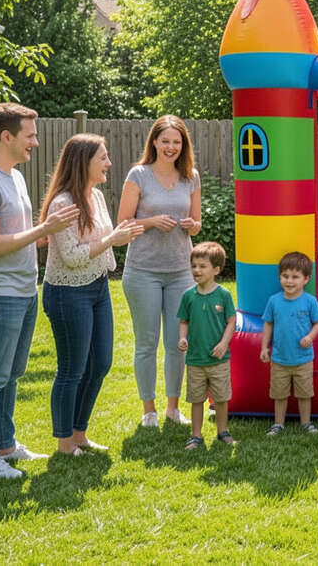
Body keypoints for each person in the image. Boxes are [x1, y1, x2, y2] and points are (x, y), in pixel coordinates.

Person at [0, 102, 79, 479]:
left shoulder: (15, 176)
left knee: (11, 373)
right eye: (30, 135)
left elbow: (19, 236)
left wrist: (46, 235)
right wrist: (44, 230)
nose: (36, 142)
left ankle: (5, 446)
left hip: (23, 290)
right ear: (6, 136)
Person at [40, 134, 143, 455]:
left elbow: (102, 243)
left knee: (100, 362)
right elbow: (71, 256)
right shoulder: (62, 204)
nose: (109, 163)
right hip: (67, 292)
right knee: (73, 368)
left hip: (96, 286)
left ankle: (79, 433)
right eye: (103, 158)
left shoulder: (95, 197)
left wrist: (119, 238)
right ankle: (64, 441)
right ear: (83, 163)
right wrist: (114, 238)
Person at [117, 115, 202, 428]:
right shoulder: (138, 175)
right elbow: (123, 224)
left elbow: (197, 222)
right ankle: (148, 411)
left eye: (176, 142)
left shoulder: (190, 177)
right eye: (165, 141)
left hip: (181, 270)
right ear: (154, 142)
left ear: (183, 146)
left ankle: (172, 408)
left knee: (177, 343)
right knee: (147, 343)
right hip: (143, 271)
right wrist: (152, 221)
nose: (171, 147)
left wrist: (193, 225)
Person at [176, 242, 237, 450]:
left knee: (220, 398)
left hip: (218, 359)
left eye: (202, 266)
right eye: (194, 266)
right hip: (195, 359)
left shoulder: (224, 295)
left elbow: (231, 321)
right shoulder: (188, 296)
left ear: (216, 270)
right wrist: (182, 339)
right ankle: (196, 436)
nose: (196, 270)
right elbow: (183, 321)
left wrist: (223, 343)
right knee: (196, 399)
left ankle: (223, 431)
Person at [261, 251, 318, 436]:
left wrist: (310, 337)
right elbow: (268, 323)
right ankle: (278, 424)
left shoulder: (309, 301)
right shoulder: (274, 301)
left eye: (295, 277)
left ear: (306, 279)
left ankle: (306, 423)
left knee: (304, 394)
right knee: (279, 395)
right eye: (285, 276)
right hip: (279, 359)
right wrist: (264, 347)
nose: (289, 281)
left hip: (303, 359)